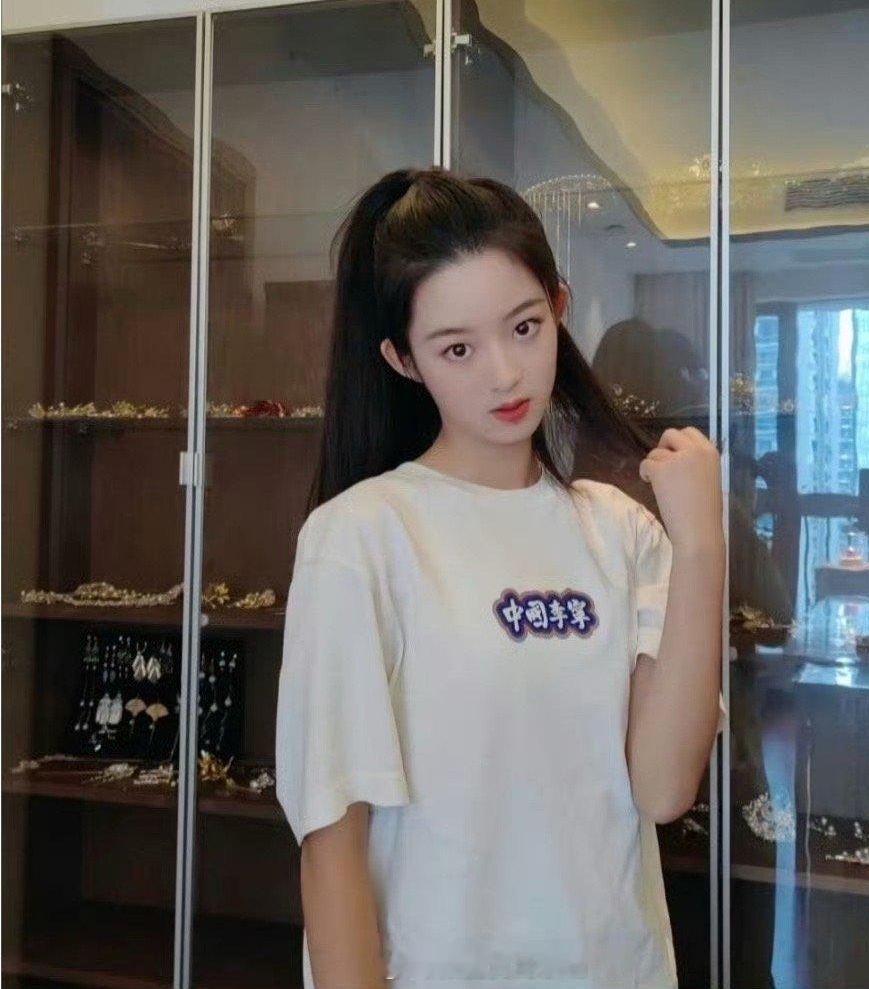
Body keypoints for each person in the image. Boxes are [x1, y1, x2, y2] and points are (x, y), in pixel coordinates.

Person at [274, 166, 726, 989]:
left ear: (559, 307)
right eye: (458, 348)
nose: (505, 373)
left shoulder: (620, 532)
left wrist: (701, 546)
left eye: (523, 327)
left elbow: (662, 788)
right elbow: (331, 841)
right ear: (403, 359)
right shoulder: (361, 537)